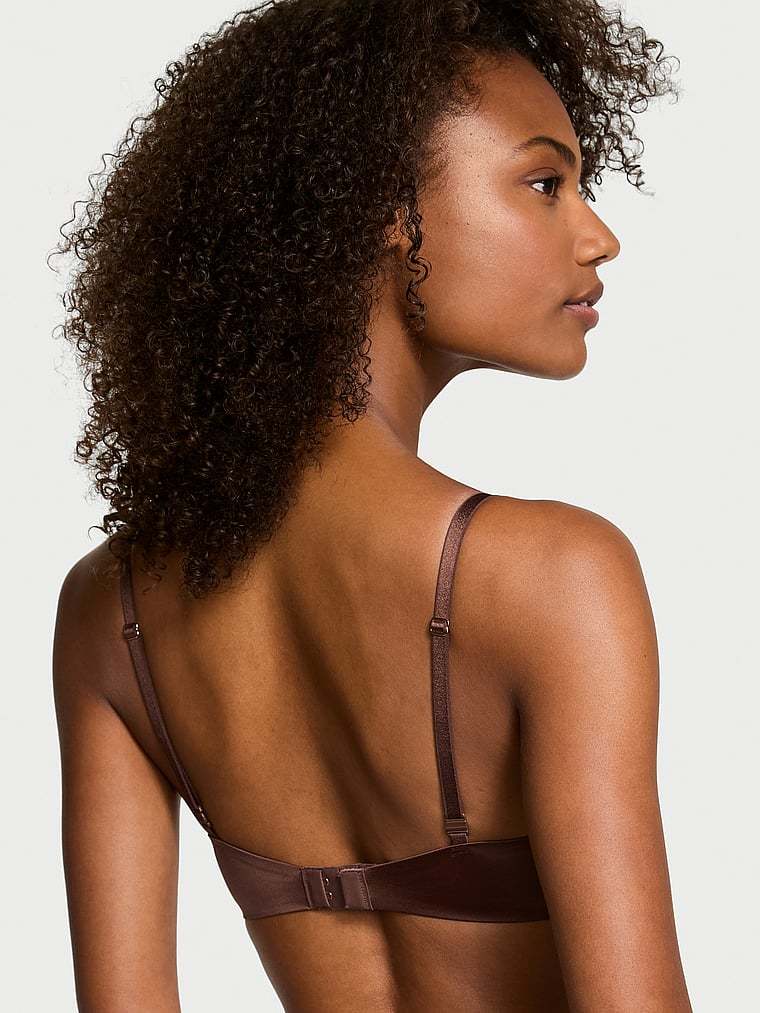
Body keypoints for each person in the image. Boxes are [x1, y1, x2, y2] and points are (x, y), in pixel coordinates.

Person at [51, 1, 691, 1009]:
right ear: (384, 204)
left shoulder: (109, 610)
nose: (598, 237)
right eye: (544, 183)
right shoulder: (556, 574)